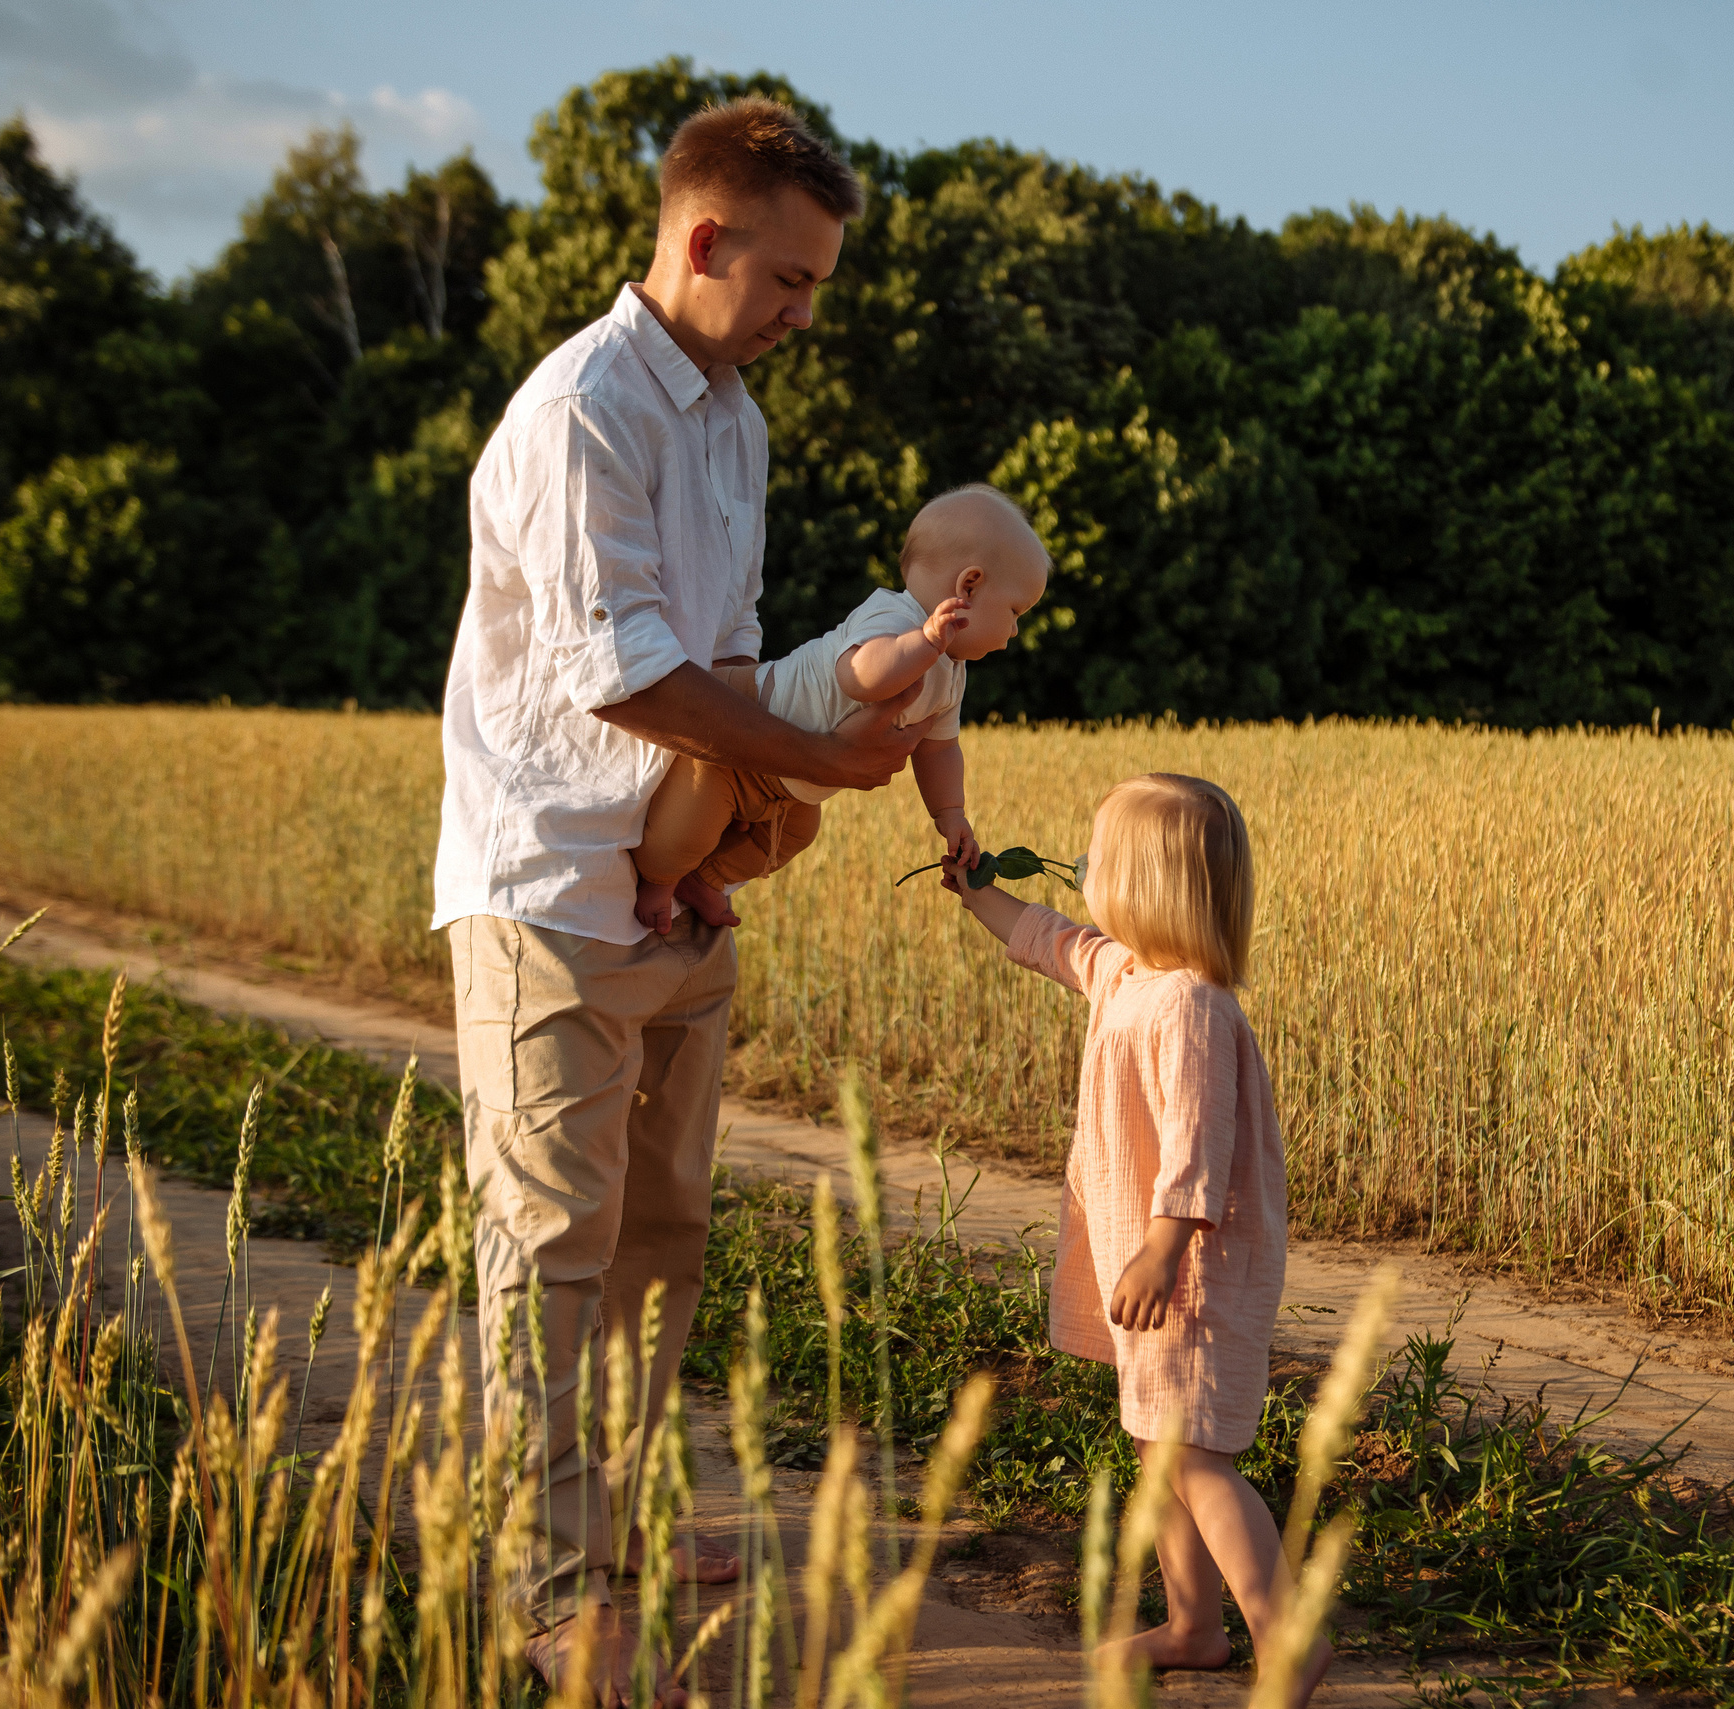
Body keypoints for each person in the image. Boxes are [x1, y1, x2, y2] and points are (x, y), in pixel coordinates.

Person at [431, 96, 927, 1707]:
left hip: (665, 884)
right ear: (702, 241)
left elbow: (720, 648)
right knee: (551, 1242)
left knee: (660, 1240)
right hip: (549, 894)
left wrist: (718, 852)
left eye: (815, 286)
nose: (803, 315)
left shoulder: (735, 422)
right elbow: (626, 675)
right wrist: (814, 761)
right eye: (787, 280)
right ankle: (551, 1576)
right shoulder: (585, 408)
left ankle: (626, 1524)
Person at [941, 774, 1328, 1706]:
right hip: (1155, 1260)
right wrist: (976, 889)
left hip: (1192, 1264)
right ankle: (1196, 1625)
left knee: (1194, 1453)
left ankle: (1289, 1637)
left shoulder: (1192, 1006)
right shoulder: (1124, 972)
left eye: (1100, 856)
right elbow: (1043, 938)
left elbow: (1201, 1145)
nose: (1083, 869)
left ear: (1149, 885)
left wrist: (1161, 1249)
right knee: (1163, 1446)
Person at [628, 484, 1052, 934]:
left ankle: (702, 881)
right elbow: (861, 677)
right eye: (1014, 611)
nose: (1015, 630)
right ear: (969, 586)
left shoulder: (952, 672)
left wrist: (950, 813)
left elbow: (938, 750)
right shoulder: (894, 619)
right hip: (743, 724)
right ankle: (660, 880)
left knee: (796, 835)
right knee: (683, 833)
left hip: (794, 779)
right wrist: (925, 643)